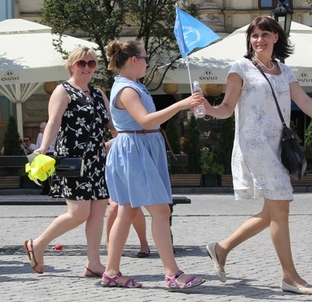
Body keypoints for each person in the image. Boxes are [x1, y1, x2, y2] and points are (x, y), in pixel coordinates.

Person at [202, 16, 312, 295]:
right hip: (254, 146)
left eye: (265, 34)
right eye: (254, 35)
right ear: (249, 40)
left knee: (271, 211)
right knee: (281, 207)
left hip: (277, 146)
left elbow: (306, 103)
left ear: (276, 37)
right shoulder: (240, 67)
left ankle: (221, 247)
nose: (259, 40)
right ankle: (290, 276)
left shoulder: (285, 71)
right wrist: (208, 108)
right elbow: (227, 108)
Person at [103, 39, 205, 289]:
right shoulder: (128, 89)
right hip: (136, 151)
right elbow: (146, 121)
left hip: (136, 149)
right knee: (160, 211)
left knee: (127, 211)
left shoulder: (130, 86)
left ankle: (111, 272)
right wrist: (182, 104)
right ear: (134, 60)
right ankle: (172, 273)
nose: (148, 62)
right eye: (146, 57)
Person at [23, 46, 114, 276]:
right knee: (78, 213)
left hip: (97, 159)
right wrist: (42, 149)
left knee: (97, 212)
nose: (86, 67)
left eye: (91, 63)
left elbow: (112, 126)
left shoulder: (98, 93)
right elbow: (53, 122)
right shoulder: (62, 90)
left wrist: (126, 138)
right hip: (73, 158)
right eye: (81, 63)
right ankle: (39, 244)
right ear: (71, 65)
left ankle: (93, 263)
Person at [105, 137, 150, 258]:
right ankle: (109, 243)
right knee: (115, 206)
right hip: (110, 183)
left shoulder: (134, 142)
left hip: (130, 181)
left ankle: (144, 243)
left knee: (133, 205)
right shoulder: (108, 145)